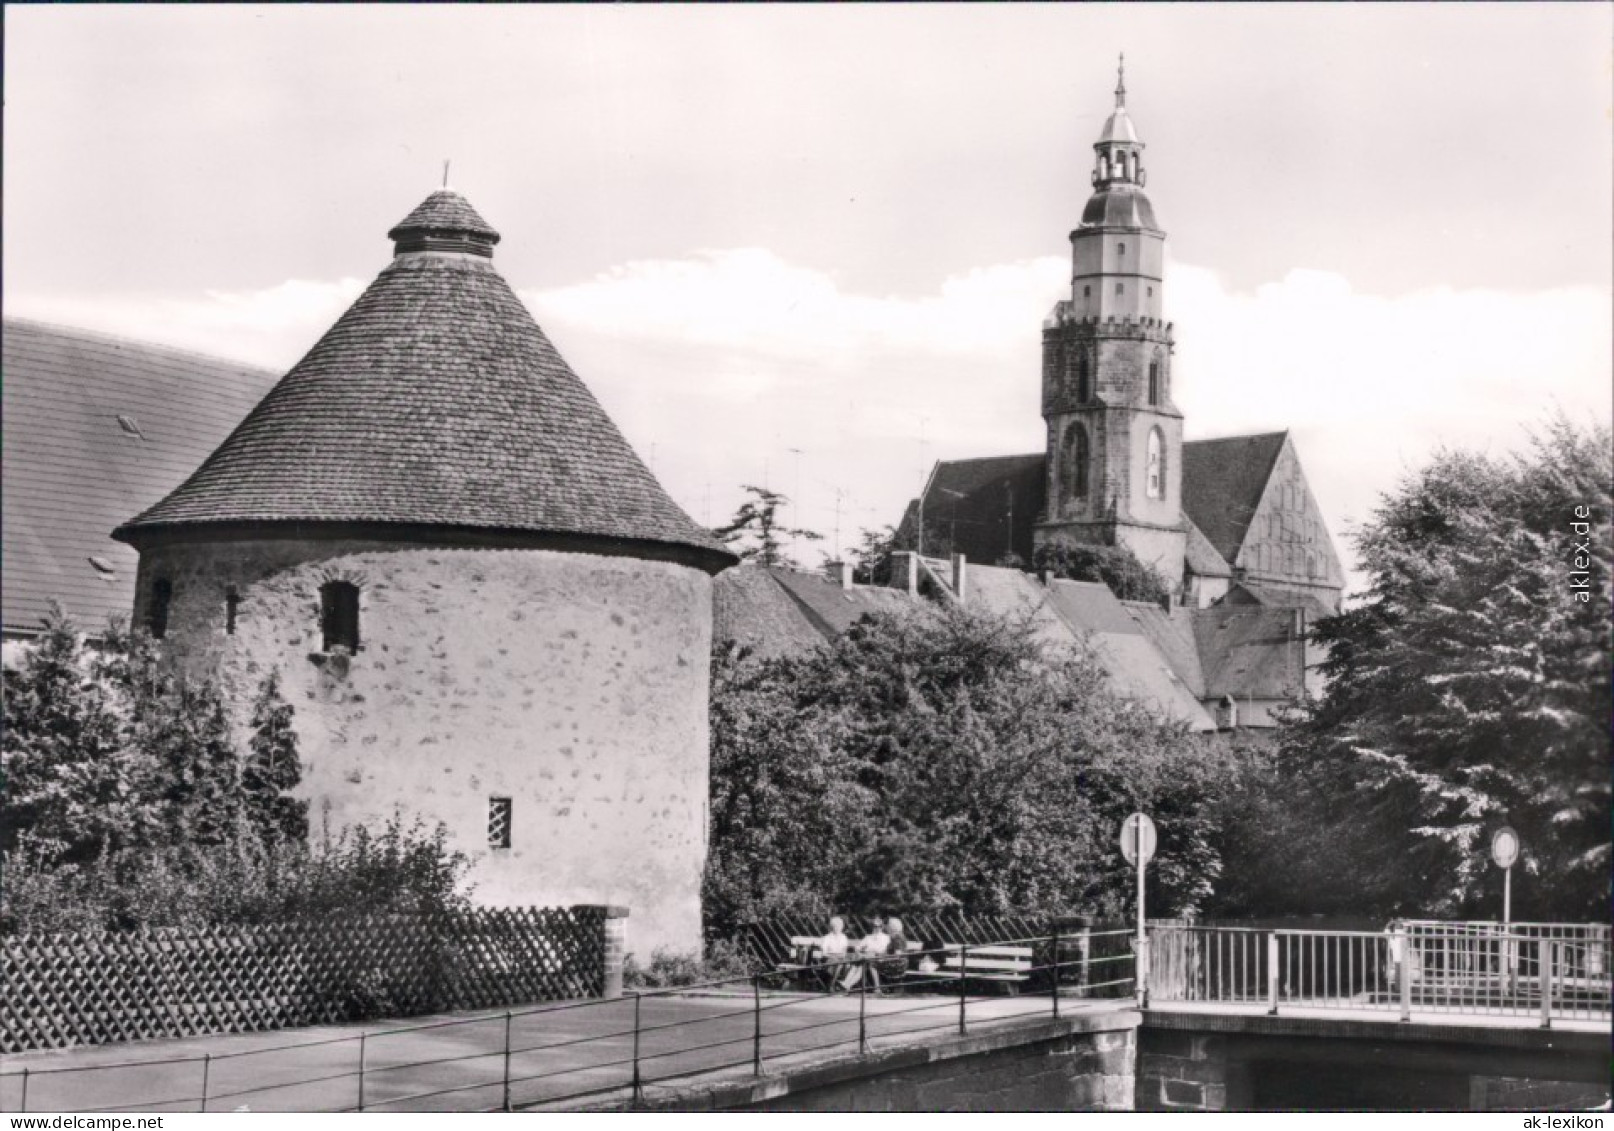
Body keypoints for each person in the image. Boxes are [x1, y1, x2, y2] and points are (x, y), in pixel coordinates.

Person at [840, 918, 892, 991]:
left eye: (879, 926)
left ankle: (847, 984)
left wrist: (868, 953)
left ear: (882, 927)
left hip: (878, 958)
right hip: (866, 958)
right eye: (875, 926)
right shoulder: (868, 937)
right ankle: (846, 984)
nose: (877, 928)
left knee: (860, 965)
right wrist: (858, 951)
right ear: (872, 927)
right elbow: (858, 947)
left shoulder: (886, 938)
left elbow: (882, 950)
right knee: (858, 966)